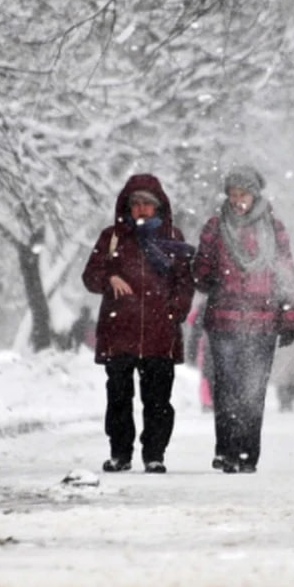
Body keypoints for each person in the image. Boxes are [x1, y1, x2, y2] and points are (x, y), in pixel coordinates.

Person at [82, 173, 195, 474]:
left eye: (148, 203)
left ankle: (154, 454)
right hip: (119, 331)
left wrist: (174, 312)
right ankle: (120, 453)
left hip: (160, 333)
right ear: (127, 206)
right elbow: (90, 276)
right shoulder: (112, 237)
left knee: (158, 400)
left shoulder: (172, 238)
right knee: (119, 398)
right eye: (136, 203)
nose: (142, 209)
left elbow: (185, 282)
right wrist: (109, 277)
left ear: (159, 206)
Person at [193, 165, 294, 474]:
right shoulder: (215, 227)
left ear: (255, 195)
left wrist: (290, 315)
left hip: (262, 323)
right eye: (233, 194)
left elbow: (285, 274)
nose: (238, 200)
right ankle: (227, 451)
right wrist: (203, 272)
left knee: (253, 391)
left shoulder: (274, 229)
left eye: (244, 194)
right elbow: (201, 273)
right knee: (226, 388)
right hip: (224, 321)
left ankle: (247, 453)